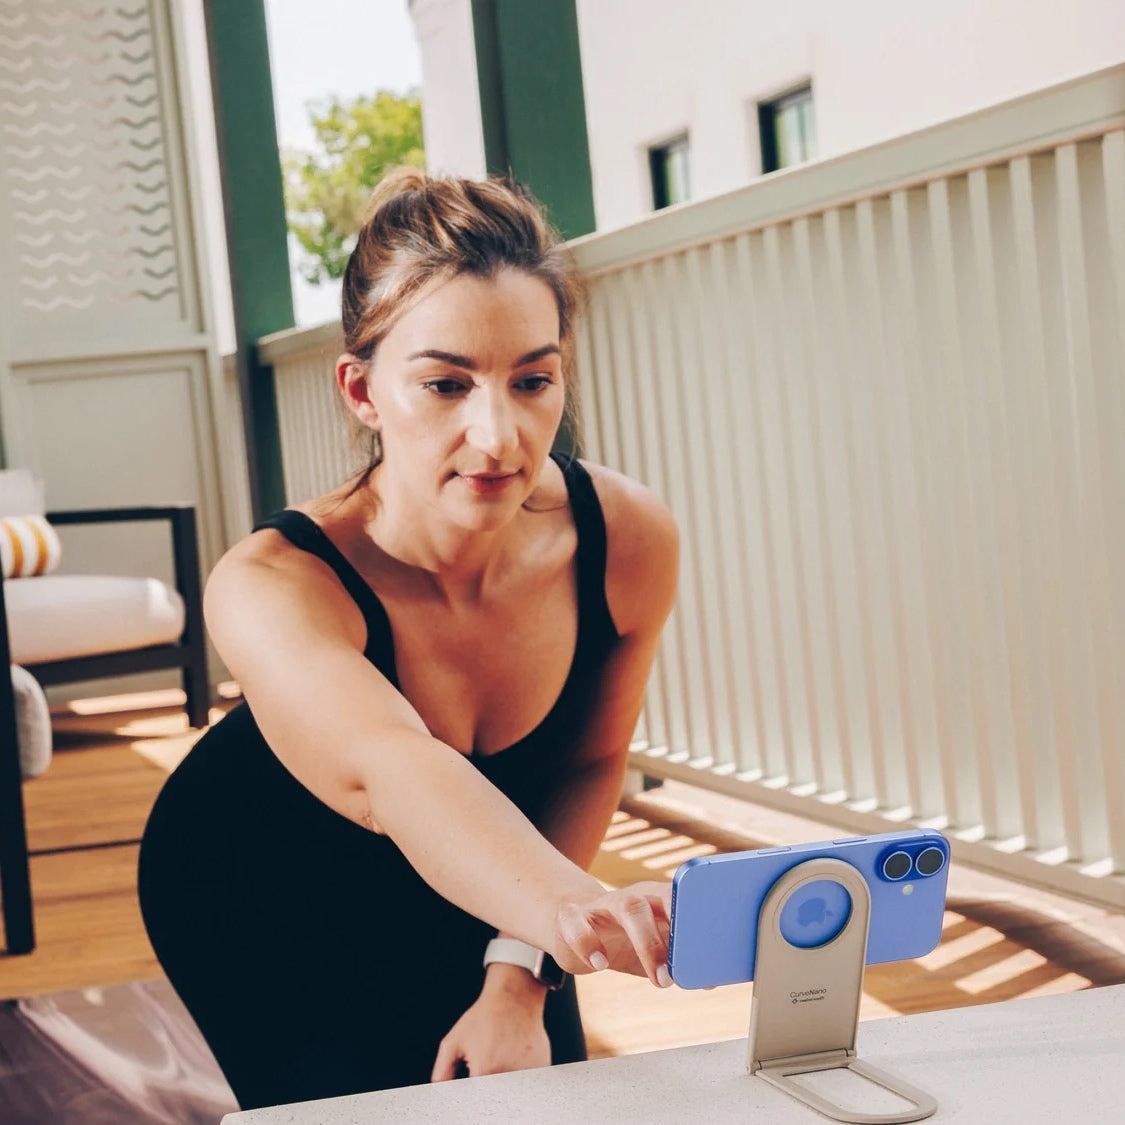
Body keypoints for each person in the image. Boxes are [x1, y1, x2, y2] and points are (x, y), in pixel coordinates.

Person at [138, 169, 679, 1111]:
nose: (498, 435)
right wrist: (573, 908)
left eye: (532, 380)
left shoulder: (623, 538)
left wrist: (522, 971)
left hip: (493, 868)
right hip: (264, 883)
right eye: (444, 384)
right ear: (362, 390)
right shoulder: (272, 582)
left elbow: (587, 761)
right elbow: (395, 769)